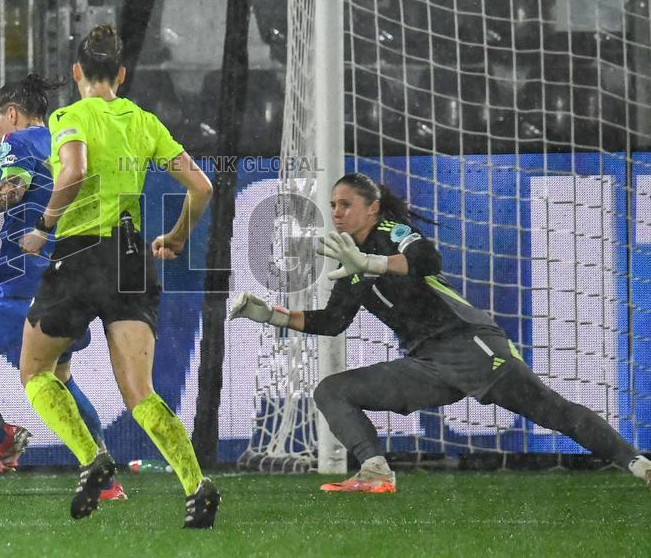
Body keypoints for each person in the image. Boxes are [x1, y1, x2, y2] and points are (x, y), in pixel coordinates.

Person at [228, 172, 651, 493]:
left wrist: (373, 265)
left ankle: (637, 463)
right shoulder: (349, 263)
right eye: (333, 205)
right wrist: (271, 316)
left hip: (469, 344)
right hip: (426, 364)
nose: (336, 213)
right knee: (332, 390)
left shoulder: (391, 232)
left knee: (551, 410)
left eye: (345, 204)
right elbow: (332, 322)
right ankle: (375, 471)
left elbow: (427, 259)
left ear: (372, 208)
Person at [17, 24, 220, 529]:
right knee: (140, 392)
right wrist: (175, 237)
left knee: (36, 372)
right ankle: (197, 485)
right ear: (122, 75)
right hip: (132, 255)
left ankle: (91, 458)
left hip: (81, 251)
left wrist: (43, 226)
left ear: (76, 72)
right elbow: (200, 186)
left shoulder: (71, 115)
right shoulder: (144, 122)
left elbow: (74, 172)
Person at [0, 73, 126, 500]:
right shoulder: (67, 143)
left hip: (16, 289)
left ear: (12, 114)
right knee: (61, 377)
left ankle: (6, 436)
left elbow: (13, 189)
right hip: (65, 283)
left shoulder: (19, 142)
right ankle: (104, 472)